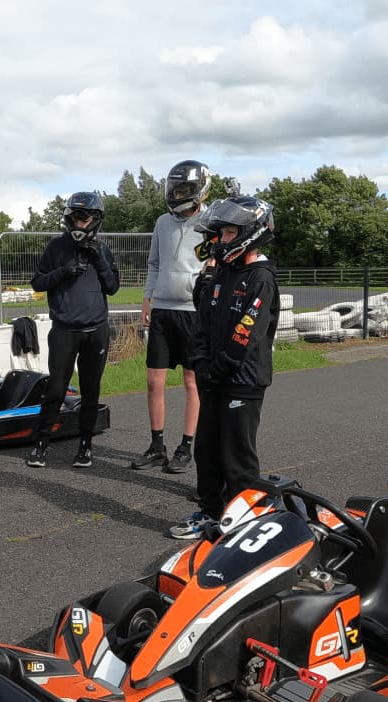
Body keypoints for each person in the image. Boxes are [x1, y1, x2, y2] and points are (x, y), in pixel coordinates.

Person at [170, 196, 280, 540]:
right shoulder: (221, 273)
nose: (221, 240)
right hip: (213, 378)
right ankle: (210, 512)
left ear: (249, 232)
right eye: (220, 233)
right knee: (206, 450)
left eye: (229, 232)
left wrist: (218, 368)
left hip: (242, 381)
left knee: (237, 456)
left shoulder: (260, 277)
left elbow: (244, 333)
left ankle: (244, 520)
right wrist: (200, 363)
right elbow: (203, 324)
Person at [26, 192, 119, 469]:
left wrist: (97, 259)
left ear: (95, 220)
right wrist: (64, 272)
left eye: (84, 217)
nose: (79, 222)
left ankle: (86, 445)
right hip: (64, 330)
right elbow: (37, 283)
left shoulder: (103, 249)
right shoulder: (56, 247)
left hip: (96, 330)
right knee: (56, 389)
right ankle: (41, 444)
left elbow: (112, 287)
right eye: (75, 217)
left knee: (91, 390)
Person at [133, 160, 212, 475]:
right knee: (154, 381)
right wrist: (147, 299)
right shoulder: (162, 223)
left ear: (198, 190)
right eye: (175, 188)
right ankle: (156, 445)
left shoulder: (211, 221)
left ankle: (186, 447)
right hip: (163, 310)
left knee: (192, 381)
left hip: (193, 313)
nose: (178, 194)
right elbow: (154, 263)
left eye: (184, 189)